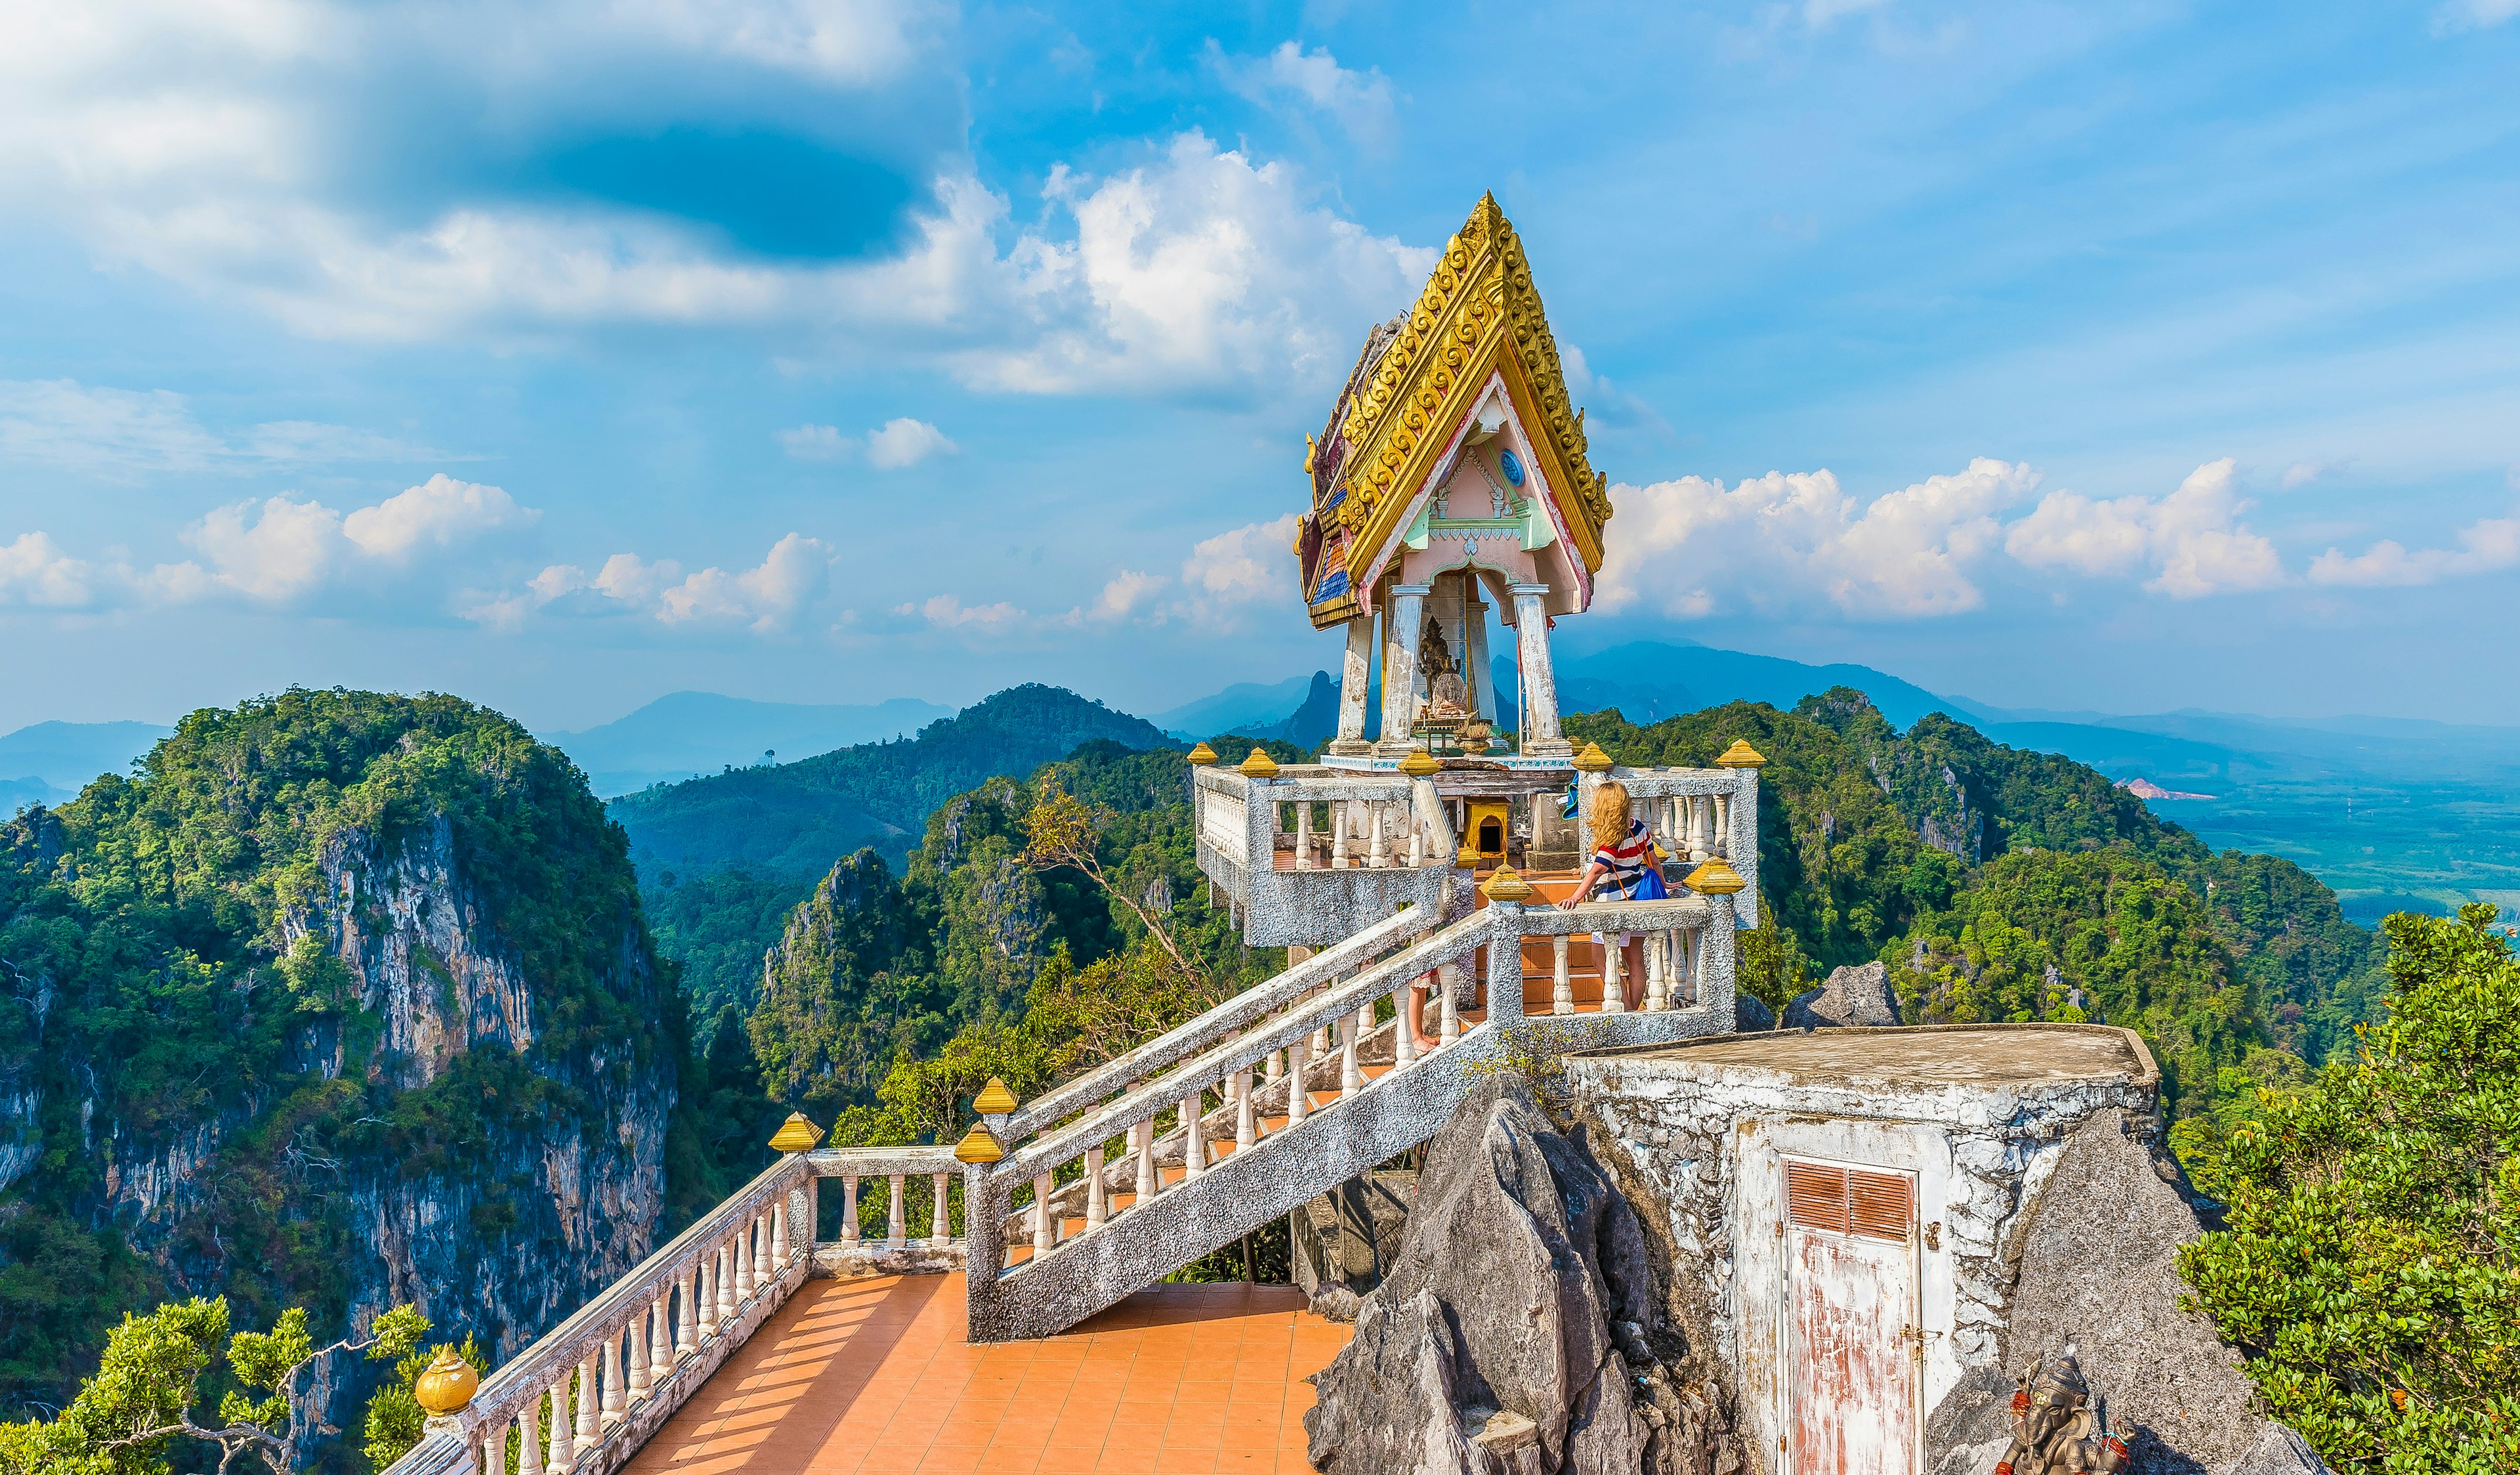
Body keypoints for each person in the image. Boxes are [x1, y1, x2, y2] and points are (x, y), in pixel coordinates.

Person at [1557, 779, 1664, 1009]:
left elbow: (1598, 870)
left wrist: (1575, 897)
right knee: (1635, 960)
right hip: (1639, 899)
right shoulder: (1638, 828)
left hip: (1614, 902)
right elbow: (1654, 862)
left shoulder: (1611, 839)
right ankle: (1634, 1009)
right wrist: (1665, 885)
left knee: (1600, 958)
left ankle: (1625, 1008)